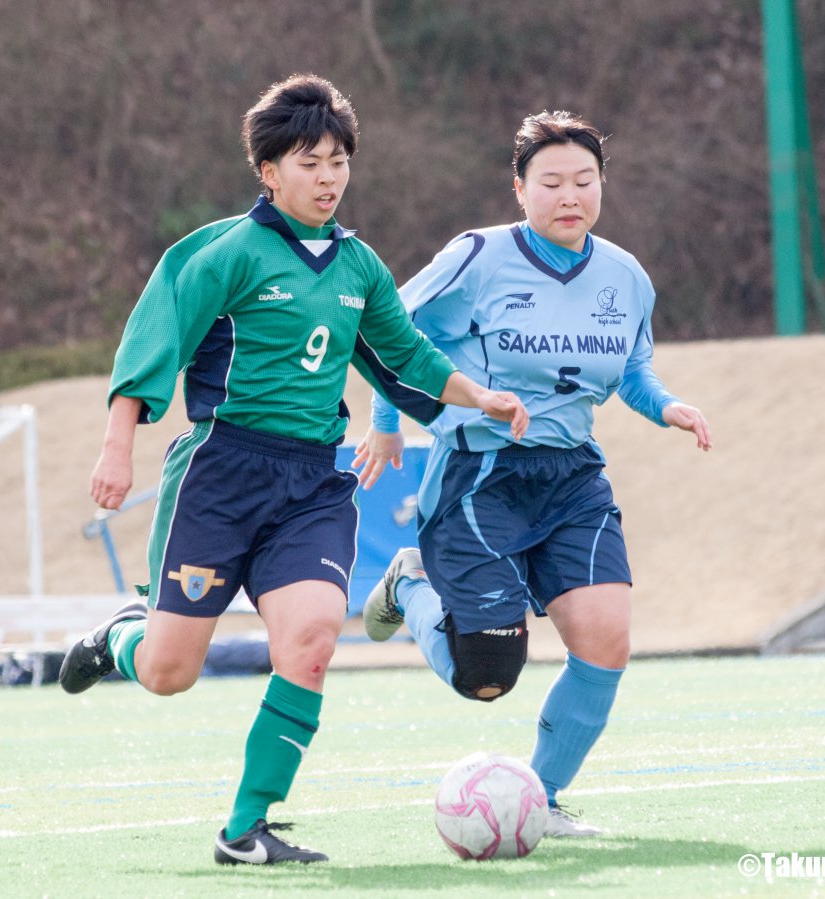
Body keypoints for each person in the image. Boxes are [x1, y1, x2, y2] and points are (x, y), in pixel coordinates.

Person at [57, 73, 529, 866]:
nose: (328, 176)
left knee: (310, 641)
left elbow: (403, 359)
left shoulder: (358, 267)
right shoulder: (226, 252)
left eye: (339, 160)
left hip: (312, 481)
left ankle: (247, 827)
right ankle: (123, 635)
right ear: (269, 171)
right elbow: (153, 337)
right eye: (310, 162)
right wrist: (118, 440)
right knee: (171, 672)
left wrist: (479, 394)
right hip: (220, 472)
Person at [356, 111, 712, 837]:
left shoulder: (625, 276)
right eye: (550, 182)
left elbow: (632, 371)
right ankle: (410, 581)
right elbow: (391, 329)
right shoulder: (478, 257)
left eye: (584, 180)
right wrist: (388, 423)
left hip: (574, 476)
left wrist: (666, 405)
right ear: (519, 189)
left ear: (602, 185)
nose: (569, 195)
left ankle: (540, 800)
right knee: (485, 672)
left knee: (607, 640)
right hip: (482, 470)